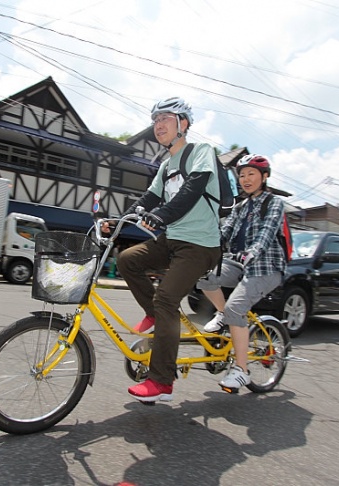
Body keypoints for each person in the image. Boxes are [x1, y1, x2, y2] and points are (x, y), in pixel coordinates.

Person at [116, 97, 222, 403]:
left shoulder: (200, 152)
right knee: (127, 259)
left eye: (166, 118)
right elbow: (147, 201)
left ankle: (162, 381)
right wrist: (118, 222)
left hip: (201, 243)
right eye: (155, 120)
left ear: (183, 124)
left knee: (166, 297)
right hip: (172, 239)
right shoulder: (165, 165)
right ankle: (154, 314)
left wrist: (162, 215)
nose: (158, 125)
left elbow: (192, 191)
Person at [195, 154, 287, 391]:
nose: (245, 179)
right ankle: (224, 314)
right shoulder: (241, 206)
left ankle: (242, 370)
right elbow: (224, 233)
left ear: (264, 176)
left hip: (266, 267)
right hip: (239, 263)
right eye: (242, 175)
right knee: (203, 275)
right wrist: (202, 246)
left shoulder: (274, 202)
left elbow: (267, 233)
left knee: (236, 308)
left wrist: (253, 251)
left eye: (251, 174)